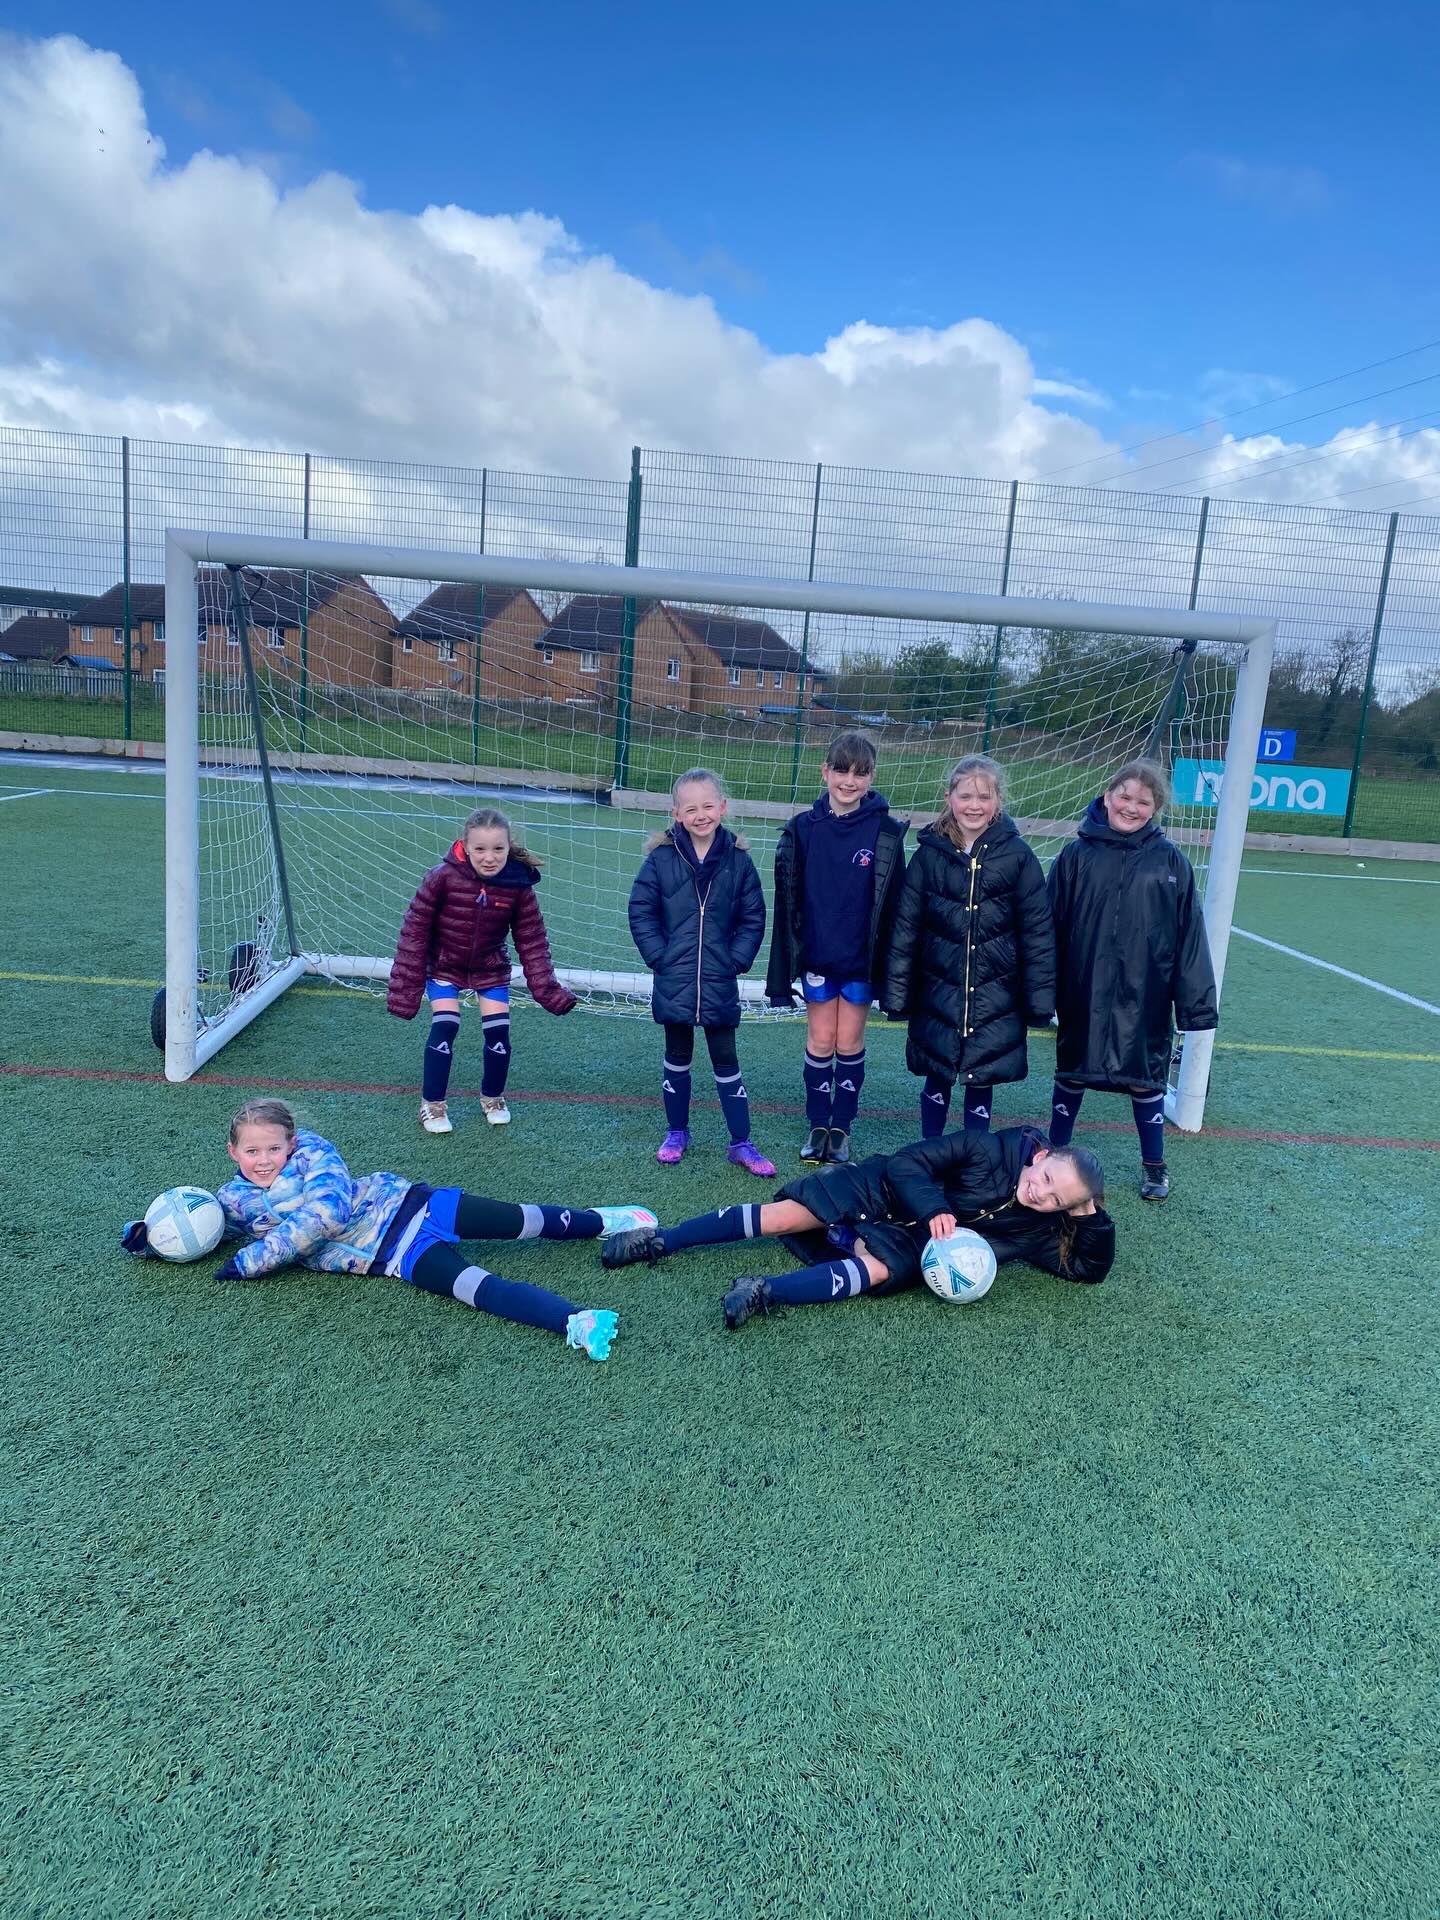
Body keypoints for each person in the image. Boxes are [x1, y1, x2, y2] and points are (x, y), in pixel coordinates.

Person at [120, 1099, 646, 1358]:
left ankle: (604, 1220)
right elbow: (210, 1227)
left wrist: (252, 1262)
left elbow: (324, 1216)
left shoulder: (315, 1155)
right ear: (233, 1152)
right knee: (479, 1291)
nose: (265, 1160)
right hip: (393, 1257)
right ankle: (576, 1323)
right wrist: (151, 1240)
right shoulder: (233, 1198)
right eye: (252, 1151)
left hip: (414, 1205)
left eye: (274, 1148)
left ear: (292, 1142)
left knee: (522, 1220)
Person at [600, 1125, 1113, 1328]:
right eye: (1046, 1177)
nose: (1040, 1193)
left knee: (879, 1271)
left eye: (1056, 1199)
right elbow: (908, 1164)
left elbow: (1088, 1270)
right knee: (786, 1216)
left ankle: (763, 1294)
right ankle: (661, 1240)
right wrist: (936, 1206)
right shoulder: (990, 1147)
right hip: (887, 1188)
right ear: (1040, 1156)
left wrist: (1086, 1213)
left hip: (916, 1239)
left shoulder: (1042, 1227)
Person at [1046, 759, 1218, 1201]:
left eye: (1143, 801)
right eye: (1124, 795)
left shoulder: (1170, 861)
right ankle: (1054, 1152)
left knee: (1145, 1078)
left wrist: (1195, 1005)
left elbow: (1190, 937)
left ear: (1155, 808)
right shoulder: (1076, 855)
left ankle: (1155, 1166)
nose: (1131, 806)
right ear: (1106, 797)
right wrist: (1039, 990)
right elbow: (1047, 926)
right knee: (1073, 1070)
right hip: (1083, 987)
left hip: (1147, 993)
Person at [883, 755, 1054, 1139]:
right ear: (949, 797)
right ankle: (931, 1151)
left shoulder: (1018, 857)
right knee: (938, 1072)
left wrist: (1040, 1001)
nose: (974, 805)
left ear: (998, 801)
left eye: (984, 796)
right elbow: (906, 928)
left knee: (981, 1076)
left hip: (996, 992)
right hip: (938, 988)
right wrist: (896, 994)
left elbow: (1038, 933)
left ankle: (975, 1158)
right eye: (965, 796)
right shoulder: (929, 855)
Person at [387, 806, 576, 1135]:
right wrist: (405, 992)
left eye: (498, 849)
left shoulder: (517, 885)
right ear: (465, 846)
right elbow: (414, 932)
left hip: (490, 969)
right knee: (446, 1024)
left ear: (508, 846)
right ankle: (432, 1105)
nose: (490, 857)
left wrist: (548, 991)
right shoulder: (441, 878)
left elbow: (531, 940)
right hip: (445, 965)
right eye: (481, 849)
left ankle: (493, 1098)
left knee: (498, 1031)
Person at [765, 730, 907, 1166]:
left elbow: (895, 900)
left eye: (860, 773)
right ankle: (817, 1125)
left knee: (849, 1040)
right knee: (821, 1038)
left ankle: (841, 1128)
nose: (850, 781)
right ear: (825, 771)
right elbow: (787, 898)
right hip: (819, 958)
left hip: (861, 962)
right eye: (841, 770)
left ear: (872, 777)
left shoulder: (885, 831)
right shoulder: (803, 829)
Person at [627, 768, 775, 1175]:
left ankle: (741, 1142)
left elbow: (753, 917)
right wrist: (660, 956)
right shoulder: (660, 859)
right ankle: (677, 1132)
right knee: (677, 1056)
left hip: (718, 980)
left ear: (722, 807)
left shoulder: (738, 861)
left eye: (708, 805)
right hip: (674, 978)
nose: (701, 814)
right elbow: (641, 910)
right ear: (676, 813)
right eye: (691, 808)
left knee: (726, 1058)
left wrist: (735, 960)